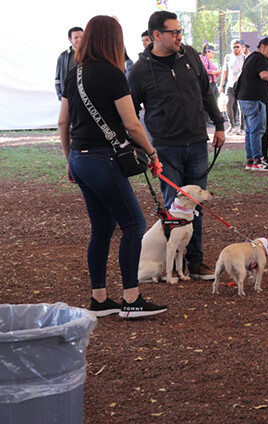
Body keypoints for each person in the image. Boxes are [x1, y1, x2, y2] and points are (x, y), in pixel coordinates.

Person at [57, 15, 166, 318]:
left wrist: (69, 159)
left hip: (80, 157)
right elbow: (132, 123)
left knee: (102, 228)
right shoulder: (113, 73)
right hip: (103, 159)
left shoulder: (73, 73)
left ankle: (99, 298)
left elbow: (62, 121)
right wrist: (152, 152)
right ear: (113, 40)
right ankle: (131, 297)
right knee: (133, 223)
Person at [128, 10, 225, 281]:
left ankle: (195, 262)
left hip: (196, 141)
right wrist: (144, 148)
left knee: (197, 203)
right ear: (156, 35)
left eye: (180, 31)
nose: (179, 36)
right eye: (173, 32)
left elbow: (208, 92)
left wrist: (218, 124)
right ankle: (170, 265)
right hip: (164, 148)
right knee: (174, 208)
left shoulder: (191, 55)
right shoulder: (139, 70)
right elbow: (130, 111)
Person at [237, 37, 268, 171]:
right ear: (262, 46)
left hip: (245, 98)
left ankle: (250, 160)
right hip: (254, 99)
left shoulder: (251, 58)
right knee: (257, 130)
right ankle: (257, 160)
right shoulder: (260, 59)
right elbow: (263, 75)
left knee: (250, 130)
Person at [221, 40, 246, 134]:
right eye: (234, 47)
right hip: (230, 85)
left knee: (241, 107)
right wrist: (222, 85)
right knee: (228, 105)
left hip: (241, 86)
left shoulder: (244, 58)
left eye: (237, 46)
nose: (236, 48)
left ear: (241, 47)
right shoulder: (228, 57)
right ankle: (231, 125)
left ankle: (242, 127)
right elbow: (225, 71)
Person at [55, 26, 83, 101]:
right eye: (76, 37)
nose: (79, 40)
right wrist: (60, 96)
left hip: (86, 99)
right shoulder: (63, 57)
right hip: (69, 98)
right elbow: (57, 79)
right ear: (70, 39)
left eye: (81, 37)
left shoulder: (91, 55)